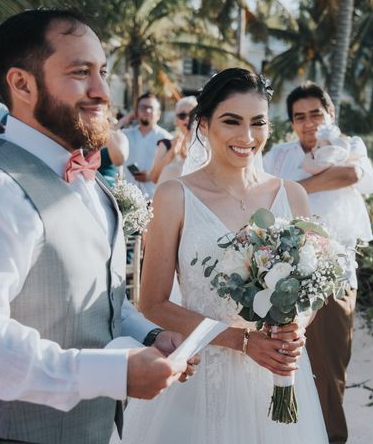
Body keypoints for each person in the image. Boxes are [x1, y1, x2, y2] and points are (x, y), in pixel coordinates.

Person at [0, 9, 197, 444]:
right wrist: (113, 373)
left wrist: (150, 336)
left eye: (103, 72)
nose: (102, 91)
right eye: (80, 72)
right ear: (21, 84)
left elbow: (97, 303)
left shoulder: (92, 185)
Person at [114, 68, 327, 443]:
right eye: (232, 122)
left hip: (274, 371)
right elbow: (153, 303)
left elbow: (308, 285)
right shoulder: (174, 196)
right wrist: (242, 341)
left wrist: (297, 324)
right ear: (204, 123)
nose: (247, 137)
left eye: (257, 123)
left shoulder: (292, 195)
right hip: (199, 370)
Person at [263, 82, 373, 444]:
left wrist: (295, 187)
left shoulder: (350, 146)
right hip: (283, 274)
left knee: (329, 367)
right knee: (284, 361)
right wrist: (309, 182)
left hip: (335, 275)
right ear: (292, 123)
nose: (309, 122)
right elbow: (265, 192)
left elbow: (353, 176)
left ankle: (332, 438)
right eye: (300, 117)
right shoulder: (279, 155)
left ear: (330, 114)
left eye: (316, 114)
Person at [122, 92, 172, 196]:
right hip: (125, 197)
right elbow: (106, 137)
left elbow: (171, 172)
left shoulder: (167, 139)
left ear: (158, 114)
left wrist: (151, 176)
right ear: (136, 112)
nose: (147, 111)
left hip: (153, 199)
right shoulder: (124, 135)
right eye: (143, 107)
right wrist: (123, 120)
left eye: (151, 108)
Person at [148, 95, 197, 186]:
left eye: (192, 115)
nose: (187, 119)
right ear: (176, 120)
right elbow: (153, 177)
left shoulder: (205, 146)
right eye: (182, 115)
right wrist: (171, 153)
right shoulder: (166, 144)